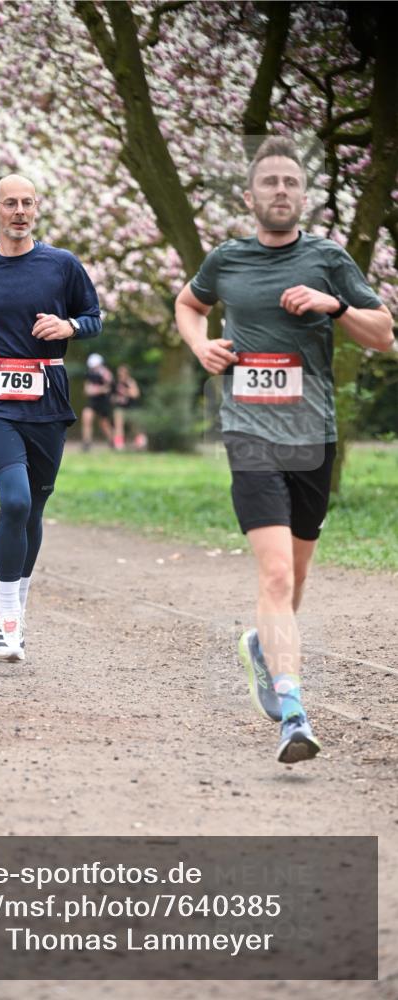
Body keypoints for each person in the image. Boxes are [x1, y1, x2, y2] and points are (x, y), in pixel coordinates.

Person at [175, 136, 393, 764]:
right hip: (249, 431)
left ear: (303, 196)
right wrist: (201, 346)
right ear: (249, 196)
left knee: (292, 583)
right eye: (268, 182)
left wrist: (335, 305)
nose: (279, 191)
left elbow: (382, 334)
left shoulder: (329, 260)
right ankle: (293, 712)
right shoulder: (227, 260)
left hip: (312, 438)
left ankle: (263, 647)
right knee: (272, 573)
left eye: (290, 183)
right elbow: (189, 304)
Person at [0, 174, 101, 661]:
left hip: (47, 399)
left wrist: (68, 324)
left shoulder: (61, 265)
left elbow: (94, 315)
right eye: (10, 203)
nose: (19, 211)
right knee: (14, 501)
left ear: (37, 209)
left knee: (33, 508)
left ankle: (17, 599)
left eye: (27, 203)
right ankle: (7, 618)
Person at [81, 353, 114, 451]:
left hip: (103, 401)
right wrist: (94, 390)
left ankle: (112, 441)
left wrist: (96, 390)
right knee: (86, 417)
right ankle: (86, 443)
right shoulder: (90, 374)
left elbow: (109, 388)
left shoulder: (106, 373)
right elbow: (86, 390)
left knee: (104, 423)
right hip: (93, 401)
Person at [111, 363, 143, 450]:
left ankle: (140, 443)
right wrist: (117, 399)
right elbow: (112, 397)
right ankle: (119, 444)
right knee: (118, 424)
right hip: (120, 407)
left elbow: (135, 394)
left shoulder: (131, 382)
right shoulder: (115, 383)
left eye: (122, 373)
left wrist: (125, 391)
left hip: (132, 407)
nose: (120, 375)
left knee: (135, 426)